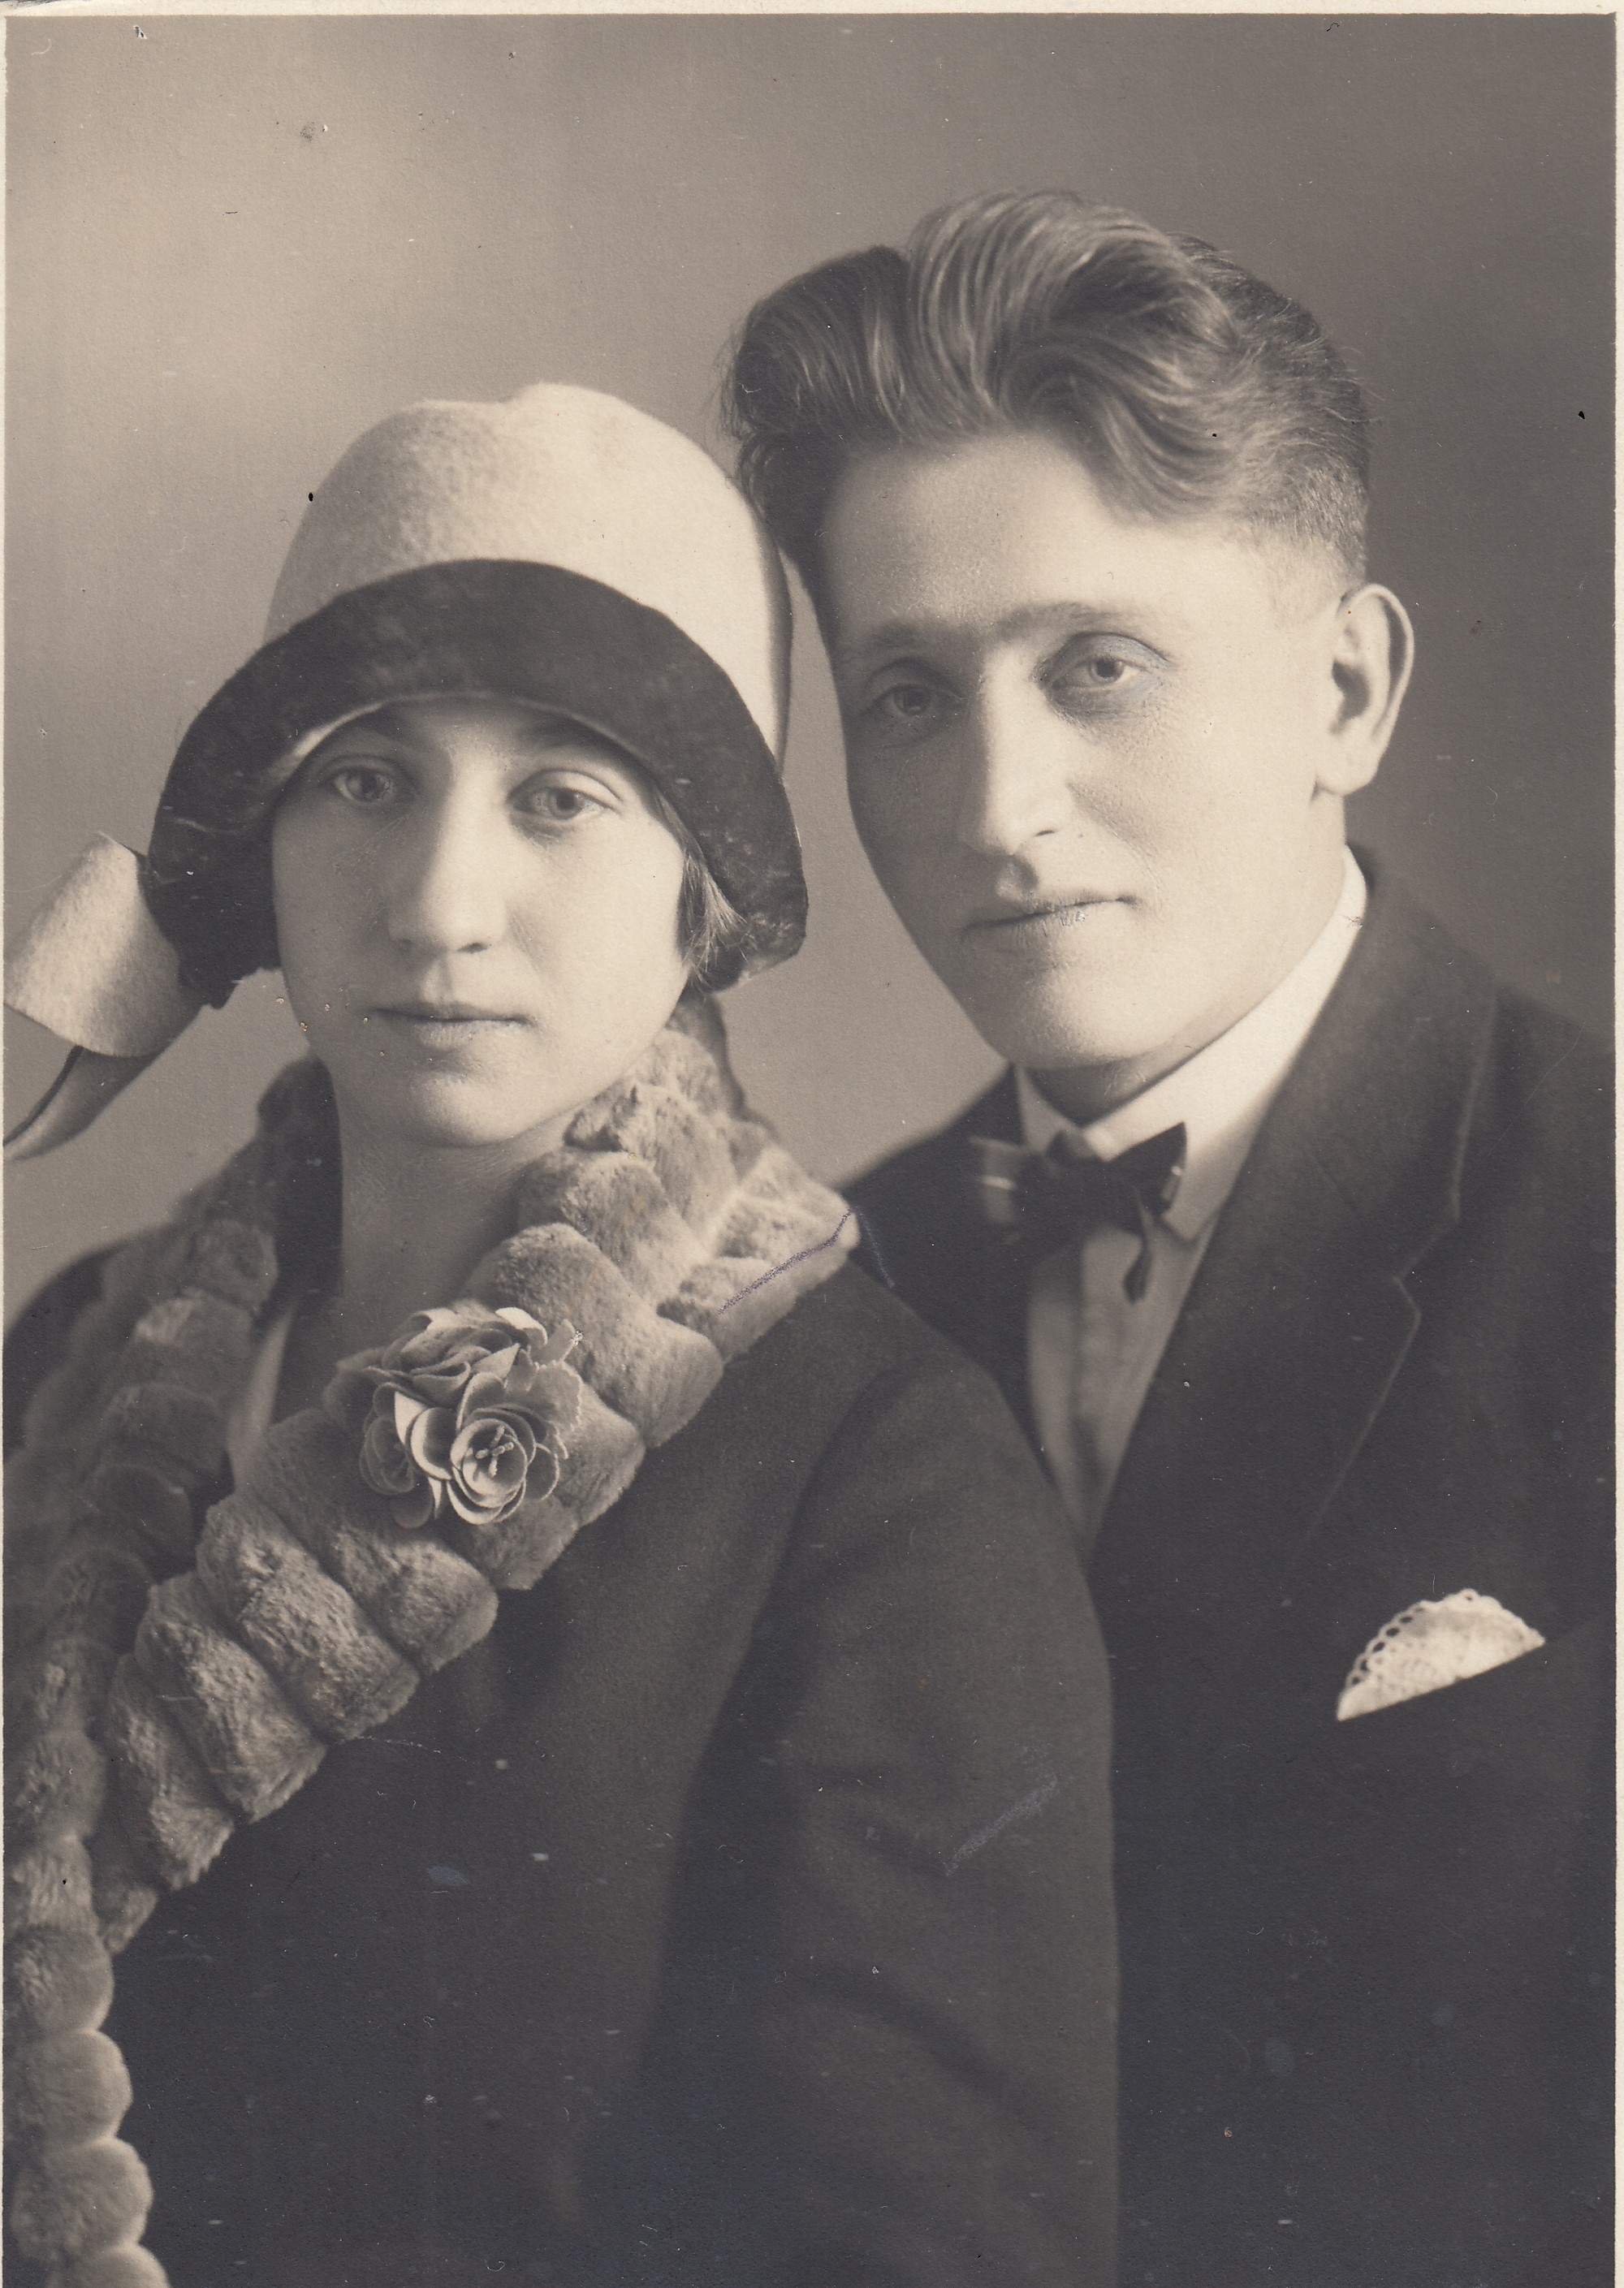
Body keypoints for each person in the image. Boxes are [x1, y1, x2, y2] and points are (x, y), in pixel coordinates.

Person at [2, 382, 1118, 2288]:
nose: (441, 905)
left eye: (558, 798)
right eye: (366, 780)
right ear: (261, 845)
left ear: (703, 897)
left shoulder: (882, 1478)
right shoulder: (68, 1361)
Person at [723, 192, 1613, 2288]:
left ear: (1347, 689)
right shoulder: (815, 1298)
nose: (995, 806)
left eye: (1097, 668)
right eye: (908, 695)